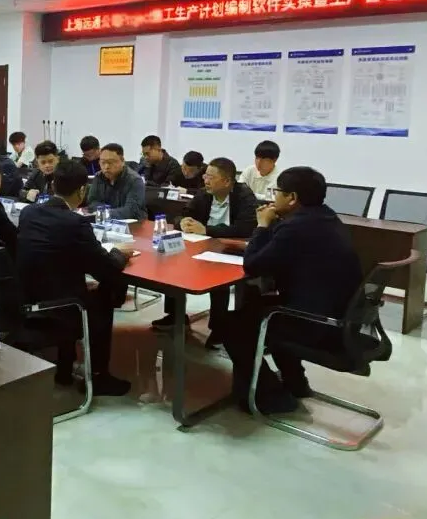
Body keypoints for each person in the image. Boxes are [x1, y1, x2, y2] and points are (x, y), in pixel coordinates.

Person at [221, 167, 363, 414]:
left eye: (277, 192)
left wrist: (262, 226)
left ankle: (272, 397)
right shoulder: (326, 218)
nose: (273, 197)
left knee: (232, 325)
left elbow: (253, 265)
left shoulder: (296, 227)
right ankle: (295, 382)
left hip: (317, 324)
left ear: (292, 198)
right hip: (341, 318)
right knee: (256, 309)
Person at [18, 160, 133, 396]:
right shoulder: (76, 223)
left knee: (73, 286)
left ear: (53, 185)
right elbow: (105, 268)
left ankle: (65, 368)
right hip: (64, 308)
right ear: (82, 190)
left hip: (28, 300)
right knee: (106, 293)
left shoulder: (28, 213)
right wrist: (119, 253)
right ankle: (98, 376)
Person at [153, 157, 258, 340]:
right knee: (173, 263)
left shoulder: (244, 196)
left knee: (219, 278)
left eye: (210, 177)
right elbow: (181, 215)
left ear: (227, 181)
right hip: (203, 245)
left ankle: (219, 328)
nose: (205, 180)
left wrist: (207, 230)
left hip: (231, 249)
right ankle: (176, 316)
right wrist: (182, 222)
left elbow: (246, 228)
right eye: (205, 176)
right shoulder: (204, 194)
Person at [87, 143, 147, 221]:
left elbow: (130, 211)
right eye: (103, 162)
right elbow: (92, 202)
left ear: (122, 161)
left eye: (111, 162)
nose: (106, 167)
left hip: (133, 224)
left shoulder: (135, 180)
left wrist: (104, 212)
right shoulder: (98, 177)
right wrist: (106, 211)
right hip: (105, 221)